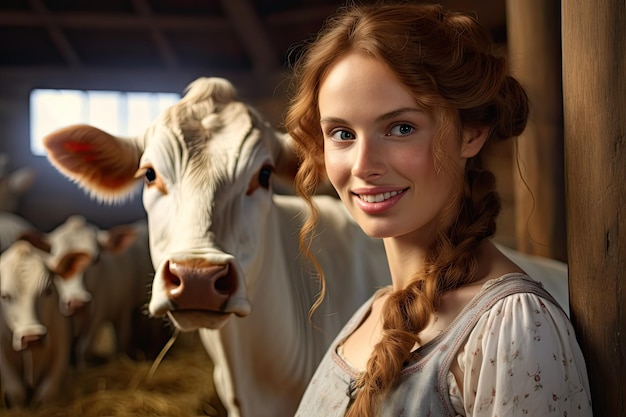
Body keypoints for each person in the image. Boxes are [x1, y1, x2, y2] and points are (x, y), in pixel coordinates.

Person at [284, 3, 592, 416]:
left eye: (401, 128)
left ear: (471, 133)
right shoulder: (370, 315)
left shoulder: (511, 326)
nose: (362, 166)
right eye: (342, 133)